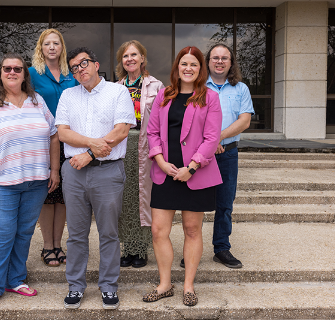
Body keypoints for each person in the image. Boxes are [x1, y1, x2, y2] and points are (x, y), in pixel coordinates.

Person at [0, 52, 60, 307]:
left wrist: (54, 170)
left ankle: (16, 280)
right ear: (0, 72)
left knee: (24, 233)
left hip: (35, 182)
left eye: (18, 69)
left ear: (24, 74)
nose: (12, 73)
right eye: (7, 68)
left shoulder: (36, 100)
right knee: (1, 233)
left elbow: (53, 135)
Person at [55, 47, 136, 310]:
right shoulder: (68, 95)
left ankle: (109, 287)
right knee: (76, 234)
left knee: (109, 233)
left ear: (96, 64)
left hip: (108, 172)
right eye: (74, 67)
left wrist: (89, 153)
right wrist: (92, 144)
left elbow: (122, 130)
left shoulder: (118, 91)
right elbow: (64, 134)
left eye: (84, 63)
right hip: (74, 172)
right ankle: (76, 286)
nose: (80, 69)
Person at [144, 46, 222, 306]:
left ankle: (188, 285)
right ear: (177, 67)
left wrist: (192, 167)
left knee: (191, 230)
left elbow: (212, 138)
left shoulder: (209, 97)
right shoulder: (164, 96)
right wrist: (161, 162)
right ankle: (165, 284)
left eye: (194, 64)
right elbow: (152, 132)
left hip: (195, 174)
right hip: (165, 171)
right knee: (158, 231)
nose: (188, 68)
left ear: (201, 69)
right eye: (184, 64)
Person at [29, 28, 78, 267]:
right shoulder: (31, 74)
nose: (51, 47)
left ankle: (59, 244)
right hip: (45, 141)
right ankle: (48, 245)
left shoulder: (72, 74)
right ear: (41, 47)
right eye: (47, 43)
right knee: (48, 194)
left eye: (56, 43)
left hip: (70, 142)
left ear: (62, 47)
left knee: (64, 197)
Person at [115, 40, 164, 268]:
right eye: (126, 56)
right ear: (121, 61)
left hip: (145, 146)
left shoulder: (156, 86)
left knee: (142, 198)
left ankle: (141, 249)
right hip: (121, 146)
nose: (130, 59)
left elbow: (162, 121)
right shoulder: (115, 87)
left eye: (134, 55)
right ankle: (127, 248)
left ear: (142, 58)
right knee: (124, 199)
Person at [205, 44, 254, 269]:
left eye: (225, 58)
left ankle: (221, 248)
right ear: (208, 62)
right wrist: (209, 143)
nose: (220, 61)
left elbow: (244, 120)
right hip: (201, 154)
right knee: (194, 203)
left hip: (228, 153)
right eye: (215, 57)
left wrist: (219, 137)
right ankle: (191, 249)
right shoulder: (197, 87)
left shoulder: (241, 88)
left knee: (225, 203)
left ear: (231, 63)